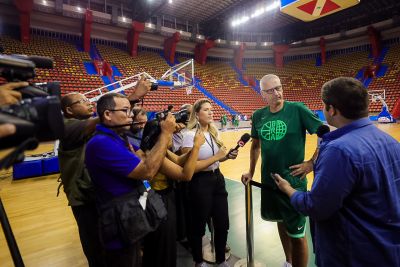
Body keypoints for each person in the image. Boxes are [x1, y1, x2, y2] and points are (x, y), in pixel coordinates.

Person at [273, 77, 400, 267]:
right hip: (388, 249)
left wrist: (288, 189)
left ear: (331, 109)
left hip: (351, 254)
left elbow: (316, 207)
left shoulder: (339, 151)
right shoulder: (391, 142)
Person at [58, 76, 151, 267]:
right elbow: (106, 117)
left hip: (100, 195)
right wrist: (132, 98)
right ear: (69, 110)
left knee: (112, 244)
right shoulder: (67, 127)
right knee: (96, 247)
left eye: (87, 99)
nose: (88, 103)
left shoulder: (95, 128)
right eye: (82, 101)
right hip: (83, 200)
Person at [85, 92, 176, 267]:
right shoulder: (101, 143)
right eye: (126, 110)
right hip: (119, 225)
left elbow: (143, 156)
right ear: (107, 114)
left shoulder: (117, 138)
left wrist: (155, 131)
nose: (131, 116)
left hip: (130, 218)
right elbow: (147, 170)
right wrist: (165, 134)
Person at [241, 74, 322, 267]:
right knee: (281, 222)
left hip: (293, 182)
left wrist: (311, 163)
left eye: (279, 88)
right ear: (262, 94)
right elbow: (255, 146)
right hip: (270, 182)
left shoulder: (297, 109)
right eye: (271, 90)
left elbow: (324, 133)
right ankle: (288, 261)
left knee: (297, 233)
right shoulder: (258, 115)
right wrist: (251, 172)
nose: (277, 93)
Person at [182, 98, 238, 267]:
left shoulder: (215, 132)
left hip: (217, 179)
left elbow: (216, 161)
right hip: (199, 183)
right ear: (197, 114)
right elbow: (190, 168)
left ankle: (221, 259)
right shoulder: (188, 135)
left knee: (222, 223)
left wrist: (226, 157)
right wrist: (217, 157)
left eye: (211, 109)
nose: (211, 112)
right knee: (198, 226)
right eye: (206, 110)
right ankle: (198, 261)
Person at [142, 124, 205, 267]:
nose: (172, 135)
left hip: (164, 196)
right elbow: (186, 175)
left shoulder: (159, 149)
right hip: (158, 200)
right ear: (158, 137)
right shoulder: (152, 154)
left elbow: (178, 160)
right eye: (168, 133)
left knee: (166, 242)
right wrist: (195, 148)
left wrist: (195, 147)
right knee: (163, 244)